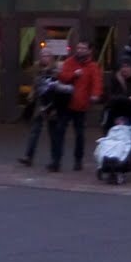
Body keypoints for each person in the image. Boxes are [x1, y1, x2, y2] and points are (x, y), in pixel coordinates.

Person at [48, 41, 103, 173]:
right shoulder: (69, 62)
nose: (80, 50)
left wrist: (95, 95)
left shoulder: (92, 66)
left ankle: (78, 160)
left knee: (79, 134)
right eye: (78, 47)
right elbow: (62, 77)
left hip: (81, 105)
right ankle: (56, 160)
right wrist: (74, 74)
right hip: (66, 104)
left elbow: (97, 83)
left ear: (89, 51)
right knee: (60, 131)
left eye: (83, 48)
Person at [17, 50, 66, 167]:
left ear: (51, 57)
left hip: (52, 104)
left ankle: (55, 160)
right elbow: (36, 85)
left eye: (47, 55)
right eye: (42, 55)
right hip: (40, 105)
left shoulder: (56, 71)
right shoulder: (38, 70)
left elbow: (58, 88)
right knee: (35, 131)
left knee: (53, 133)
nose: (44, 58)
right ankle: (29, 156)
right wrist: (31, 95)